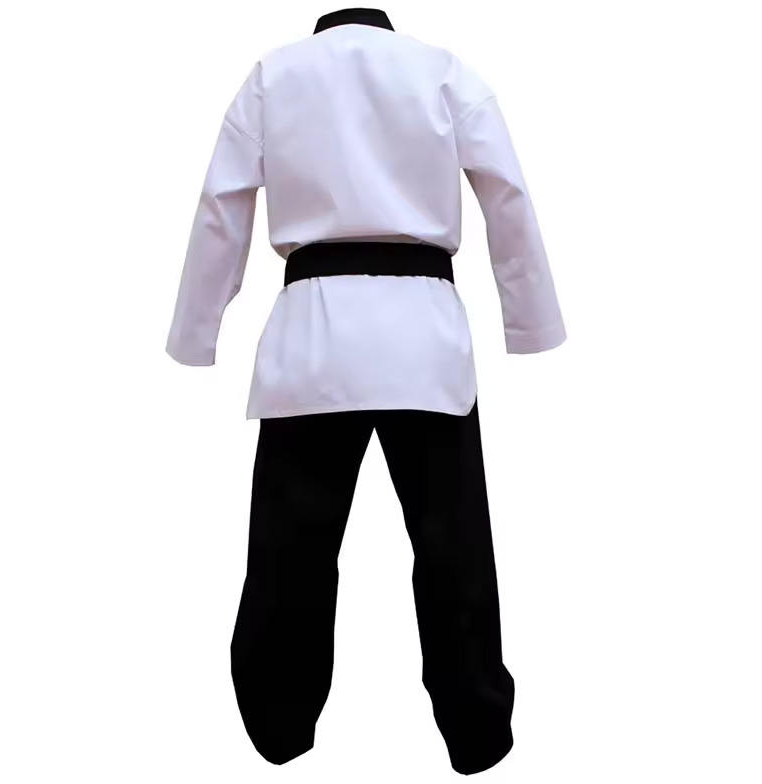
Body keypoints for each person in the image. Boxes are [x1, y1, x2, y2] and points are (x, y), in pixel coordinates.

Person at [165, 7, 566, 775]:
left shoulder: (275, 75)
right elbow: (505, 193)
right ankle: (478, 731)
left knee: (290, 551)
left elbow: (223, 208)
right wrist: (530, 322)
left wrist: (197, 331)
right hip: (424, 340)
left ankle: (278, 727)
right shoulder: (441, 70)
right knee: (453, 547)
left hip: (315, 338)